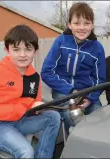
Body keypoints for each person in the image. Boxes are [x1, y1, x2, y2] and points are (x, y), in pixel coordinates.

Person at [0, 24, 61, 158]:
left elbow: (34, 103)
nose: (22, 55)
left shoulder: (34, 77)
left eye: (28, 49)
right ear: (7, 50)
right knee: (26, 152)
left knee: (54, 117)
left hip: (21, 120)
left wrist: (37, 107)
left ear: (35, 51)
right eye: (16, 49)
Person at [41, 2, 106, 134]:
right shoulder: (61, 42)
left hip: (88, 93)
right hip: (63, 91)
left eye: (86, 23)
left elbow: (100, 80)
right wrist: (70, 90)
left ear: (92, 25)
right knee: (72, 117)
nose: (82, 28)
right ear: (69, 25)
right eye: (77, 23)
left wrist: (90, 99)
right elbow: (46, 72)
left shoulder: (97, 48)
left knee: (101, 120)